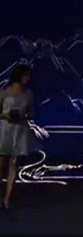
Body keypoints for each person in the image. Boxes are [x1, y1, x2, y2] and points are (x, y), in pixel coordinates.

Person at [0, 64, 36, 209]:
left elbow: (31, 113)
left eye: (28, 75)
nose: (27, 78)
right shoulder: (4, 92)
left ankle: (7, 198)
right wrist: (6, 115)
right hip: (4, 129)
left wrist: (24, 116)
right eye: (25, 75)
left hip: (20, 129)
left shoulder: (28, 94)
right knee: (1, 163)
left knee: (13, 163)